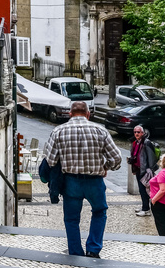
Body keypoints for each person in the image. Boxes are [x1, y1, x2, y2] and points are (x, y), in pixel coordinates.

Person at [42, 100, 122, 258]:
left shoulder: (58, 131)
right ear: (88, 114)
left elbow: (50, 161)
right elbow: (117, 158)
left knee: (71, 219)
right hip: (95, 181)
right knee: (99, 212)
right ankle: (93, 249)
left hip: (71, 181)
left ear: (70, 114)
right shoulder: (100, 130)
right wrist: (105, 167)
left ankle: (75, 252)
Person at [128, 124, 158, 217]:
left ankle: (146, 209)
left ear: (142, 133)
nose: (136, 133)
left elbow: (151, 157)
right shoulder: (135, 142)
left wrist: (150, 169)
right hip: (138, 170)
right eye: (135, 132)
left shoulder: (146, 142)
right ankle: (144, 207)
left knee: (144, 190)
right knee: (142, 190)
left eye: (138, 132)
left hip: (145, 171)